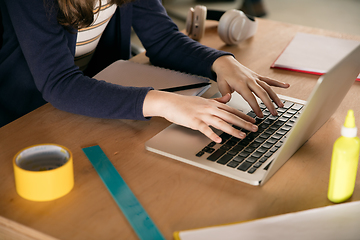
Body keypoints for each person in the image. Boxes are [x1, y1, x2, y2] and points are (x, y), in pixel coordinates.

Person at [0, 0, 289, 143]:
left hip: (96, 98)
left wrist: (221, 62)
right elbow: (60, 83)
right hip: (26, 115)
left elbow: (162, 38)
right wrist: (165, 102)